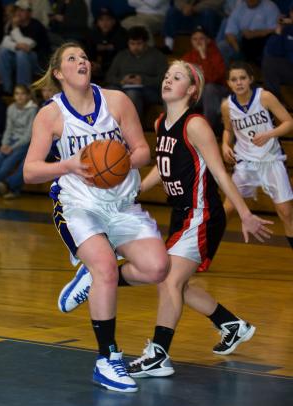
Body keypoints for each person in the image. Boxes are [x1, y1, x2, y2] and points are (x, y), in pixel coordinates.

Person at [60, 60, 273, 378]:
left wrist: (244, 213)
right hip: (181, 213)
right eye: (166, 75)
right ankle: (231, 324)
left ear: (191, 90)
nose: (168, 80)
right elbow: (162, 167)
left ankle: (157, 352)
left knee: (169, 280)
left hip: (202, 214)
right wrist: (133, 192)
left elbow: (218, 171)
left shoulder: (195, 125)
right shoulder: (161, 122)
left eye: (177, 77)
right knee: (173, 280)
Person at [23, 42, 169, 392]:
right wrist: (68, 165)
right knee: (104, 266)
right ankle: (107, 358)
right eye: (72, 58)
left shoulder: (117, 101)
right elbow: (30, 171)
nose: (81, 61)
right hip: (78, 204)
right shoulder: (51, 115)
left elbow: (143, 150)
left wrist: (119, 161)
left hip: (120, 202)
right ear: (59, 73)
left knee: (156, 268)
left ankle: (90, 278)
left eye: (84, 57)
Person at [221, 61, 293, 248]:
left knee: (286, 212)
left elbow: (288, 122)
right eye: (234, 79)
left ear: (251, 79)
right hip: (245, 162)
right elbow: (228, 130)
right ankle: (204, 252)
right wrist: (224, 144)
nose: (239, 83)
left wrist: (269, 134)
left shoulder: (265, 97)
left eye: (243, 78)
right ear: (228, 83)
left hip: (271, 159)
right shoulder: (227, 106)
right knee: (227, 209)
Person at [0, 84, 37, 198]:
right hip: (11, 140)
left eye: (22, 94)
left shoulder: (33, 109)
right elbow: (8, 129)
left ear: (28, 96)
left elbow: (28, 135)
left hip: (24, 143)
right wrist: (5, 144)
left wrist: (12, 147)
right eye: (17, 94)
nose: (19, 97)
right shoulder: (11, 108)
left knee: (7, 164)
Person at [105, 25, 168, 124]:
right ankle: (108, 127)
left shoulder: (157, 56)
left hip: (149, 90)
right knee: (109, 91)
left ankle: (133, 128)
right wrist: (122, 80)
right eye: (132, 44)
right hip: (123, 87)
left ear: (146, 43)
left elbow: (164, 79)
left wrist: (143, 80)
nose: (135, 47)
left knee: (132, 93)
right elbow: (109, 76)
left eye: (139, 43)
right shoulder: (122, 55)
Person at [0, 0, 50, 95]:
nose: (18, 13)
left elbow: (28, 47)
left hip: (39, 63)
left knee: (21, 53)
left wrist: (15, 29)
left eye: (22, 10)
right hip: (19, 60)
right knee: (3, 52)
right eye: (17, 10)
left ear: (29, 12)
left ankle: (23, 90)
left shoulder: (36, 25)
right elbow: (4, 43)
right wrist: (16, 45)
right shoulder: (13, 25)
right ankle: (7, 89)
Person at [182, 25, 228, 135]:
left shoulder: (216, 54)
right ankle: (180, 130)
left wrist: (203, 56)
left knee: (209, 88)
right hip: (197, 92)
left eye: (201, 38)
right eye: (195, 39)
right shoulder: (188, 57)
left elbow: (213, 78)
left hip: (217, 91)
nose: (198, 42)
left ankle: (208, 129)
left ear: (208, 40)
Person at [217, 0, 280, 65]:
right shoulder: (239, 9)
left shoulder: (270, 7)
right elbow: (229, 32)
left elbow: (276, 30)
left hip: (262, 43)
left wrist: (255, 33)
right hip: (242, 43)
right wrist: (237, 49)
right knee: (222, 46)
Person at [262, 5, 293, 103]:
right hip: (290, 68)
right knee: (270, 62)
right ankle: (274, 102)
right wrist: (279, 30)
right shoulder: (287, 29)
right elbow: (272, 51)